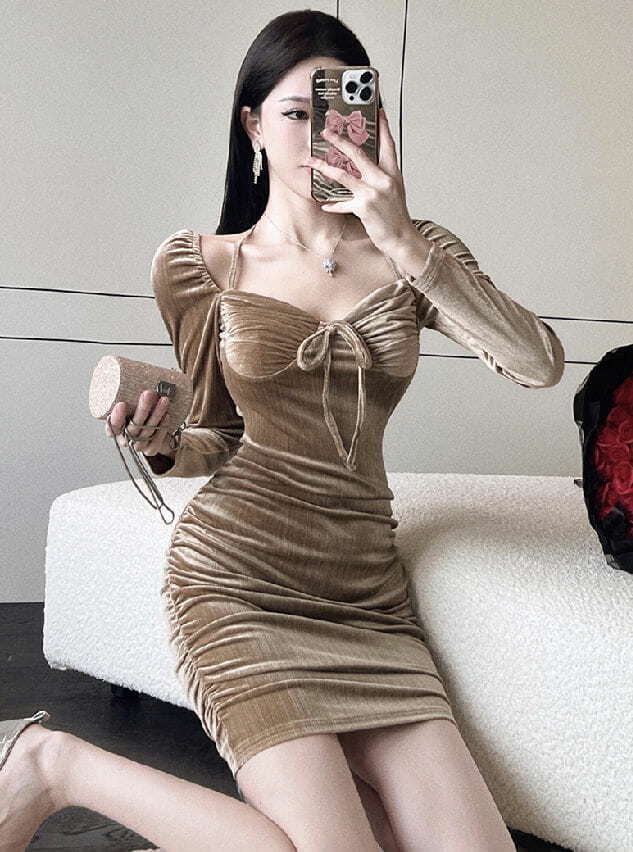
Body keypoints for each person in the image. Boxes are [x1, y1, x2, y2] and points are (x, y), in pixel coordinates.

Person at [1, 9, 565, 852]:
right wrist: (161, 442)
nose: (318, 136)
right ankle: (53, 765)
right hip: (239, 586)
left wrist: (402, 240)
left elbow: (539, 363)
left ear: (370, 122)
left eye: (339, 112)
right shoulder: (203, 265)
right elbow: (216, 437)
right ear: (253, 125)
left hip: (367, 604)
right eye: (296, 112)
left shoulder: (416, 252)